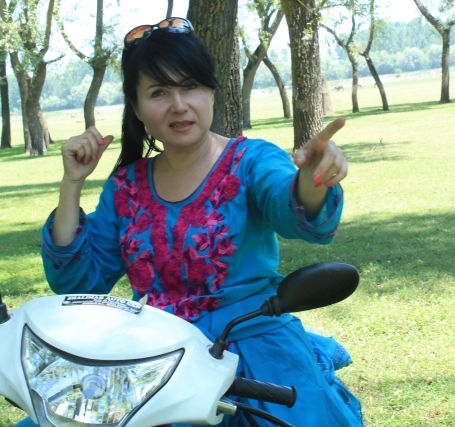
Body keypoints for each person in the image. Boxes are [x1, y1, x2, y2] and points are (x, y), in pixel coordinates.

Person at [28, 17, 362, 427]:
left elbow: (291, 206)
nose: (178, 104)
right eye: (158, 92)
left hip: (256, 357)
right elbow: (77, 281)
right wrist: (72, 184)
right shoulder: (127, 187)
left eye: (190, 87)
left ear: (211, 92)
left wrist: (312, 180)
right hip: (158, 364)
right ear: (137, 107)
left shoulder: (250, 161)